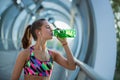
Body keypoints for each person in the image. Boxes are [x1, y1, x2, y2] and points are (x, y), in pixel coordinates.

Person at [11, 18, 76, 80]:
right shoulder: (26, 54)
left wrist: (65, 43)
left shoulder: (53, 55)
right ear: (38, 32)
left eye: (51, 27)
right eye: (48, 27)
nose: (52, 29)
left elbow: (72, 66)